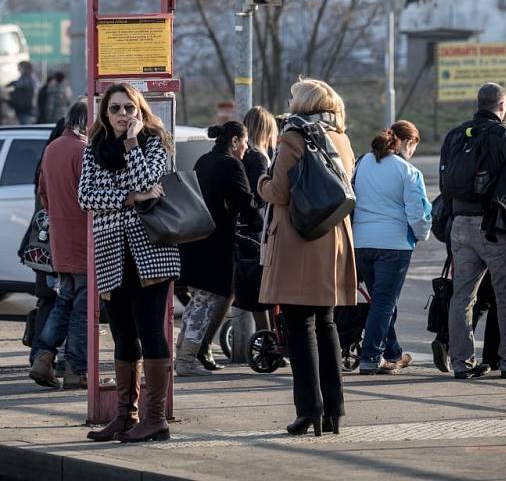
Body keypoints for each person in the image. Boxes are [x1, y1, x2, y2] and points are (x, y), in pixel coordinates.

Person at [79, 82, 179, 443]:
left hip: (150, 250)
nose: (123, 115)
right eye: (116, 109)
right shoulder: (93, 149)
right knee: (122, 335)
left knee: (151, 331)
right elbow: (85, 195)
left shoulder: (155, 142)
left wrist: (133, 143)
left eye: (129, 108)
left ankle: (155, 418)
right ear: (105, 113)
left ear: (140, 110)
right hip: (111, 251)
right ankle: (125, 417)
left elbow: (150, 181)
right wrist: (130, 197)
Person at [258, 78, 356, 437]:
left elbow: (279, 191)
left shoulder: (293, 137)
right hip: (332, 238)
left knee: (299, 327)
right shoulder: (341, 138)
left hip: (300, 240)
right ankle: (335, 411)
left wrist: (260, 182)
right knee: (326, 323)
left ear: (302, 104)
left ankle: (308, 410)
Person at [441, 82, 506, 379]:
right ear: (502, 105)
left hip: (459, 225)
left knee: (462, 296)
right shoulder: (505, 133)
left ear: (477, 103)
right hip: (493, 226)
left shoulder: (456, 134)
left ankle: (462, 363)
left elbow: (444, 186)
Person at [175, 121, 263, 376]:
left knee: (198, 301)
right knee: (206, 302)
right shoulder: (230, 164)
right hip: (214, 245)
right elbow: (244, 201)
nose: (246, 148)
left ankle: (183, 354)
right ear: (235, 141)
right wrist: (257, 221)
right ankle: (186, 361)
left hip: (195, 240)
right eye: (244, 143)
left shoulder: (204, 160)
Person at [353, 120, 431, 375]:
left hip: (362, 242)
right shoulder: (408, 171)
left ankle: (394, 353)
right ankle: (371, 356)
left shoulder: (363, 162)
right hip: (394, 245)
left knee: (381, 301)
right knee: (385, 303)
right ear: (408, 142)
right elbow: (418, 214)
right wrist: (421, 235)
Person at [29, 100, 88, 390]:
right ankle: (76, 370)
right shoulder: (83, 151)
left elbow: (42, 193)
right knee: (82, 309)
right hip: (84, 242)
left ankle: (42, 357)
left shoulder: (52, 149)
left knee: (63, 302)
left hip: (60, 242)